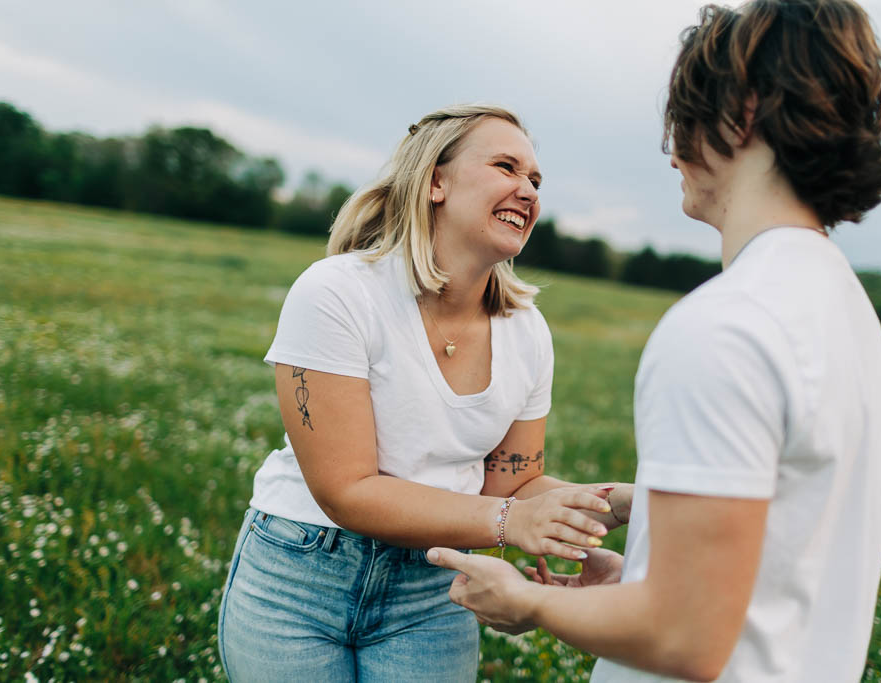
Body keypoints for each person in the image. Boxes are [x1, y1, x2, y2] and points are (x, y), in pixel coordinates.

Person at [427, 1, 881, 681]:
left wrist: (527, 598)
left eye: (684, 115)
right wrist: (639, 571)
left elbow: (685, 635)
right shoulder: (849, 319)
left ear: (739, 114)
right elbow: (776, 566)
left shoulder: (726, 326)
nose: (671, 148)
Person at [216, 104, 633, 682]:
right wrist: (511, 519)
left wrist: (617, 502)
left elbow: (513, 482)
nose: (527, 190)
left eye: (535, 180)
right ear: (435, 181)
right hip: (301, 573)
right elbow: (347, 490)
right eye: (507, 167)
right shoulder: (338, 292)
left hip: (433, 588)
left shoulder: (528, 331)